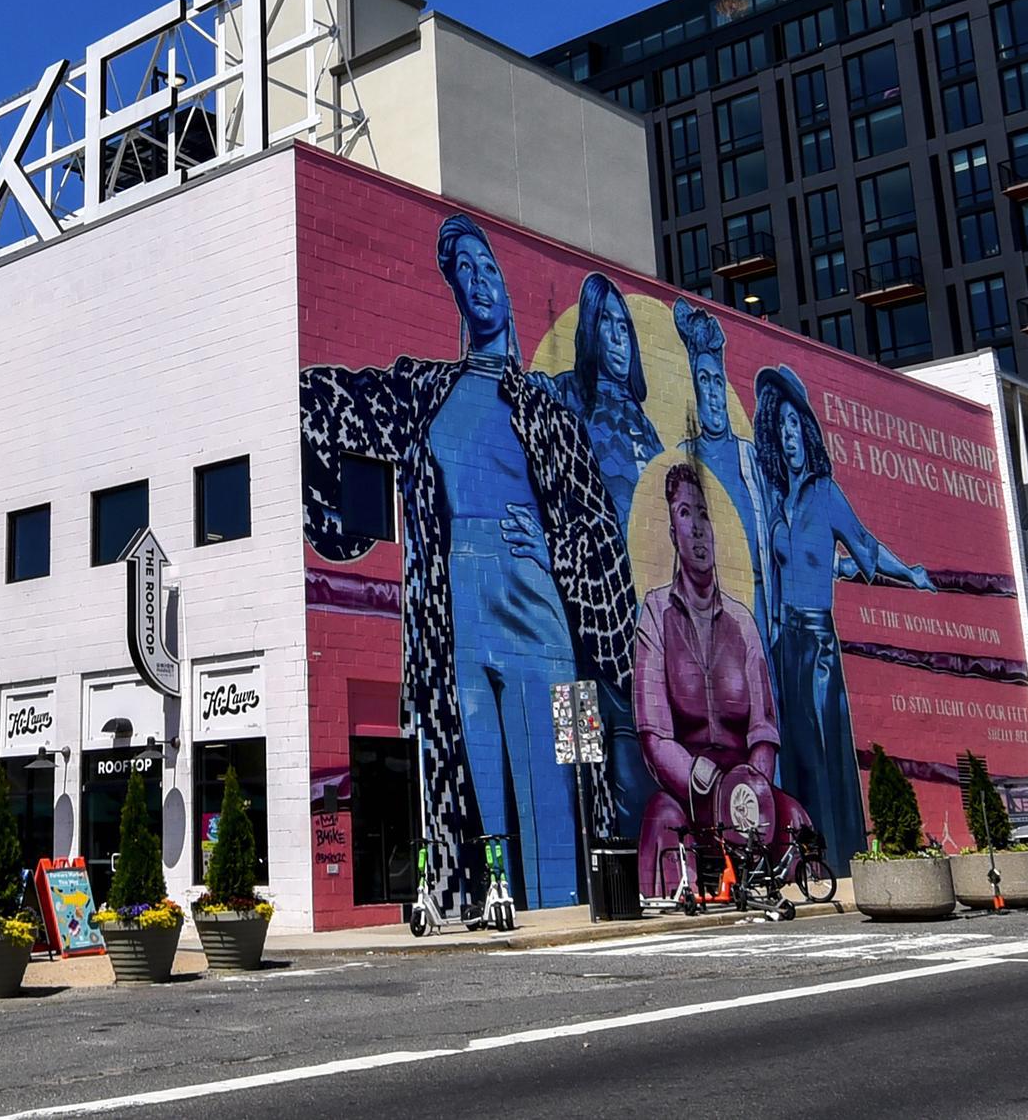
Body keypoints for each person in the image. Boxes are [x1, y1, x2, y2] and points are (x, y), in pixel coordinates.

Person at [301, 214, 636, 913]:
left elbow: (598, 524)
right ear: (452, 290)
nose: (479, 283)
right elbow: (321, 402)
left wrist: (550, 538)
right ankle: (495, 894)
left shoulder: (545, 405)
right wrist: (343, 522)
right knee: (477, 776)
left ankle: (570, 901)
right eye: (465, 273)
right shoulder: (427, 392)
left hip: (539, 609)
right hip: (457, 616)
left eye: (488, 270)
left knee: (563, 776)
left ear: (507, 289)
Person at [754, 366, 935, 860]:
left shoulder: (826, 494)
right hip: (785, 643)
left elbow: (865, 546)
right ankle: (804, 853)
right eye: (781, 428)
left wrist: (911, 573)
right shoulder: (776, 501)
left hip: (818, 644)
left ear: (808, 431)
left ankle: (838, 853)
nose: (789, 437)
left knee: (821, 747)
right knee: (795, 752)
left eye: (796, 426)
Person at [632, 464, 812, 897]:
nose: (697, 529)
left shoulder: (743, 623)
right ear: (672, 531)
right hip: (689, 794)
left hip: (749, 790)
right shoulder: (655, 615)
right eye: (684, 514)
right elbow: (654, 736)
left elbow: (764, 730)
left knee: (794, 818)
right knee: (662, 819)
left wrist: (753, 782)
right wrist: (703, 780)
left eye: (704, 515)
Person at [673, 301, 774, 650]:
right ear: (694, 388)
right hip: (707, 612)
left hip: (758, 609)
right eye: (704, 380)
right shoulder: (684, 456)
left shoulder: (751, 459)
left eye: (718, 381)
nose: (713, 393)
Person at [552, 273, 663, 532]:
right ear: (591, 328)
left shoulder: (643, 425)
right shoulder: (566, 390)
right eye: (606, 322)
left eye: (623, 327)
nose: (618, 338)